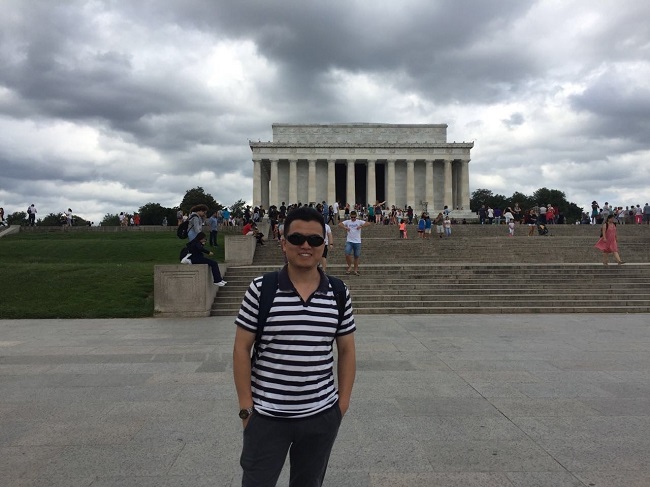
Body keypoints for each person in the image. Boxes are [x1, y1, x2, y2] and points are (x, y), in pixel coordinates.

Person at [233, 206, 356, 487]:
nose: (306, 246)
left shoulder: (339, 292)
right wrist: (246, 409)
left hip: (321, 415)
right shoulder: (261, 289)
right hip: (266, 416)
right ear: (284, 242)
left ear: (324, 245)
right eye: (297, 238)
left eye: (315, 240)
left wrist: (341, 405)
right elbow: (241, 349)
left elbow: (347, 350)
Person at [339, 210, 371, 275]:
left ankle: (355, 270)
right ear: (350, 217)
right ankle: (350, 266)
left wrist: (361, 226)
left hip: (357, 241)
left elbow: (368, 223)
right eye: (352, 217)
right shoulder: (348, 222)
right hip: (349, 241)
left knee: (356, 256)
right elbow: (340, 224)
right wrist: (345, 227)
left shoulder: (359, 221)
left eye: (354, 217)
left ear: (356, 216)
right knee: (347, 253)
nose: (353, 218)